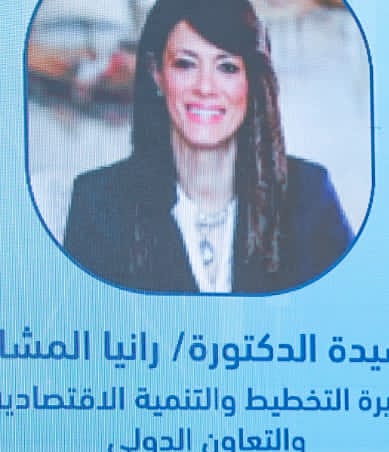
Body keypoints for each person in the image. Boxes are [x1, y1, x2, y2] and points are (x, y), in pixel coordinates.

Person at [63, 0, 352, 294]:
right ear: (156, 73)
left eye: (227, 67)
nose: (205, 87)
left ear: (251, 80)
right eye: (185, 64)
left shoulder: (308, 195)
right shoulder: (98, 202)